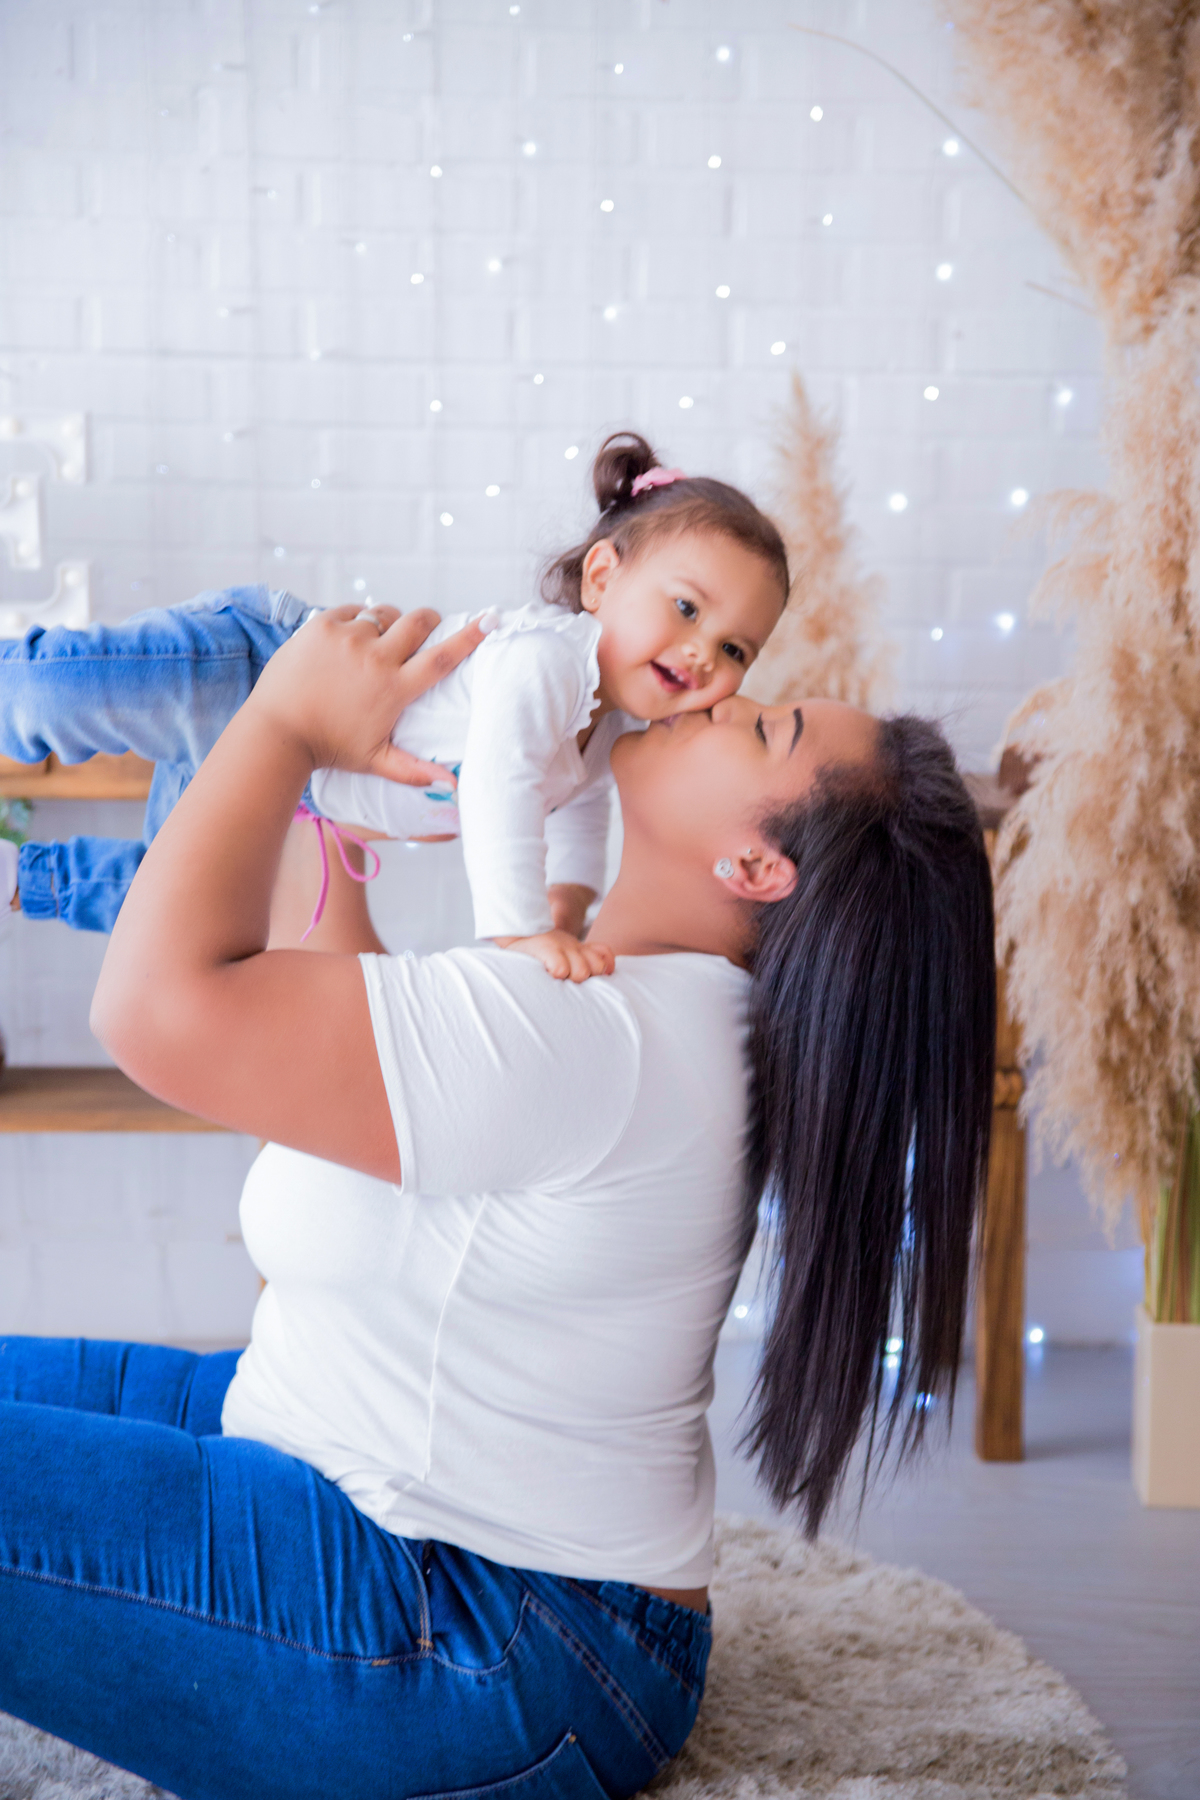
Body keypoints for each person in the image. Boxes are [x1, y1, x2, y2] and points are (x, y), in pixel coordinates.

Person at [0, 606, 995, 1800]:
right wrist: (331, 786)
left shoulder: (599, 1036)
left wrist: (274, 726)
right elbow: (336, 1027)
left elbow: (151, 1015)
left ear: (754, 867)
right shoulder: (644, 997)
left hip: (485, 1638)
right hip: (370, 1470)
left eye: (762, 724)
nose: (716, 696)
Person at [0, 436, 788, 980]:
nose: (701, 654)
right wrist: (519, 925)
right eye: (687, 609)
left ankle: (17, 874)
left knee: (169, 901)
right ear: (602, 579)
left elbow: (576, 815)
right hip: (262, 670)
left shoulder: (608, 730)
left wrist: (571, 901)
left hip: (294, 784)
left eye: (734, 650)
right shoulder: (549, 659)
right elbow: (502, 784)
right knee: (53, 692)